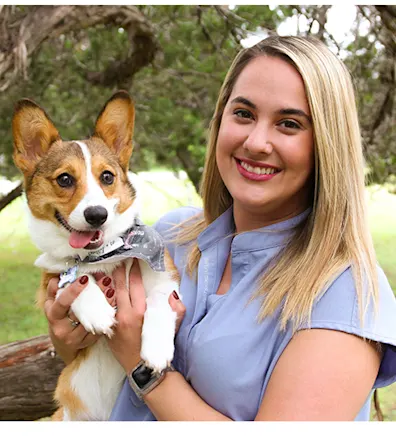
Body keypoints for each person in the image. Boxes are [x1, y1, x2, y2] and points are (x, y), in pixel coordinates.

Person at [44, 35, 396, 421]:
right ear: (221, 119)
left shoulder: (347, 295)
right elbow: (86, 348)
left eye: (289, 123)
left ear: (327, 144)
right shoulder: (170, 236)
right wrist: (70, 333)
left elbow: (129, 352)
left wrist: (142, 367)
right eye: (243, 114)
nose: (256, 141)